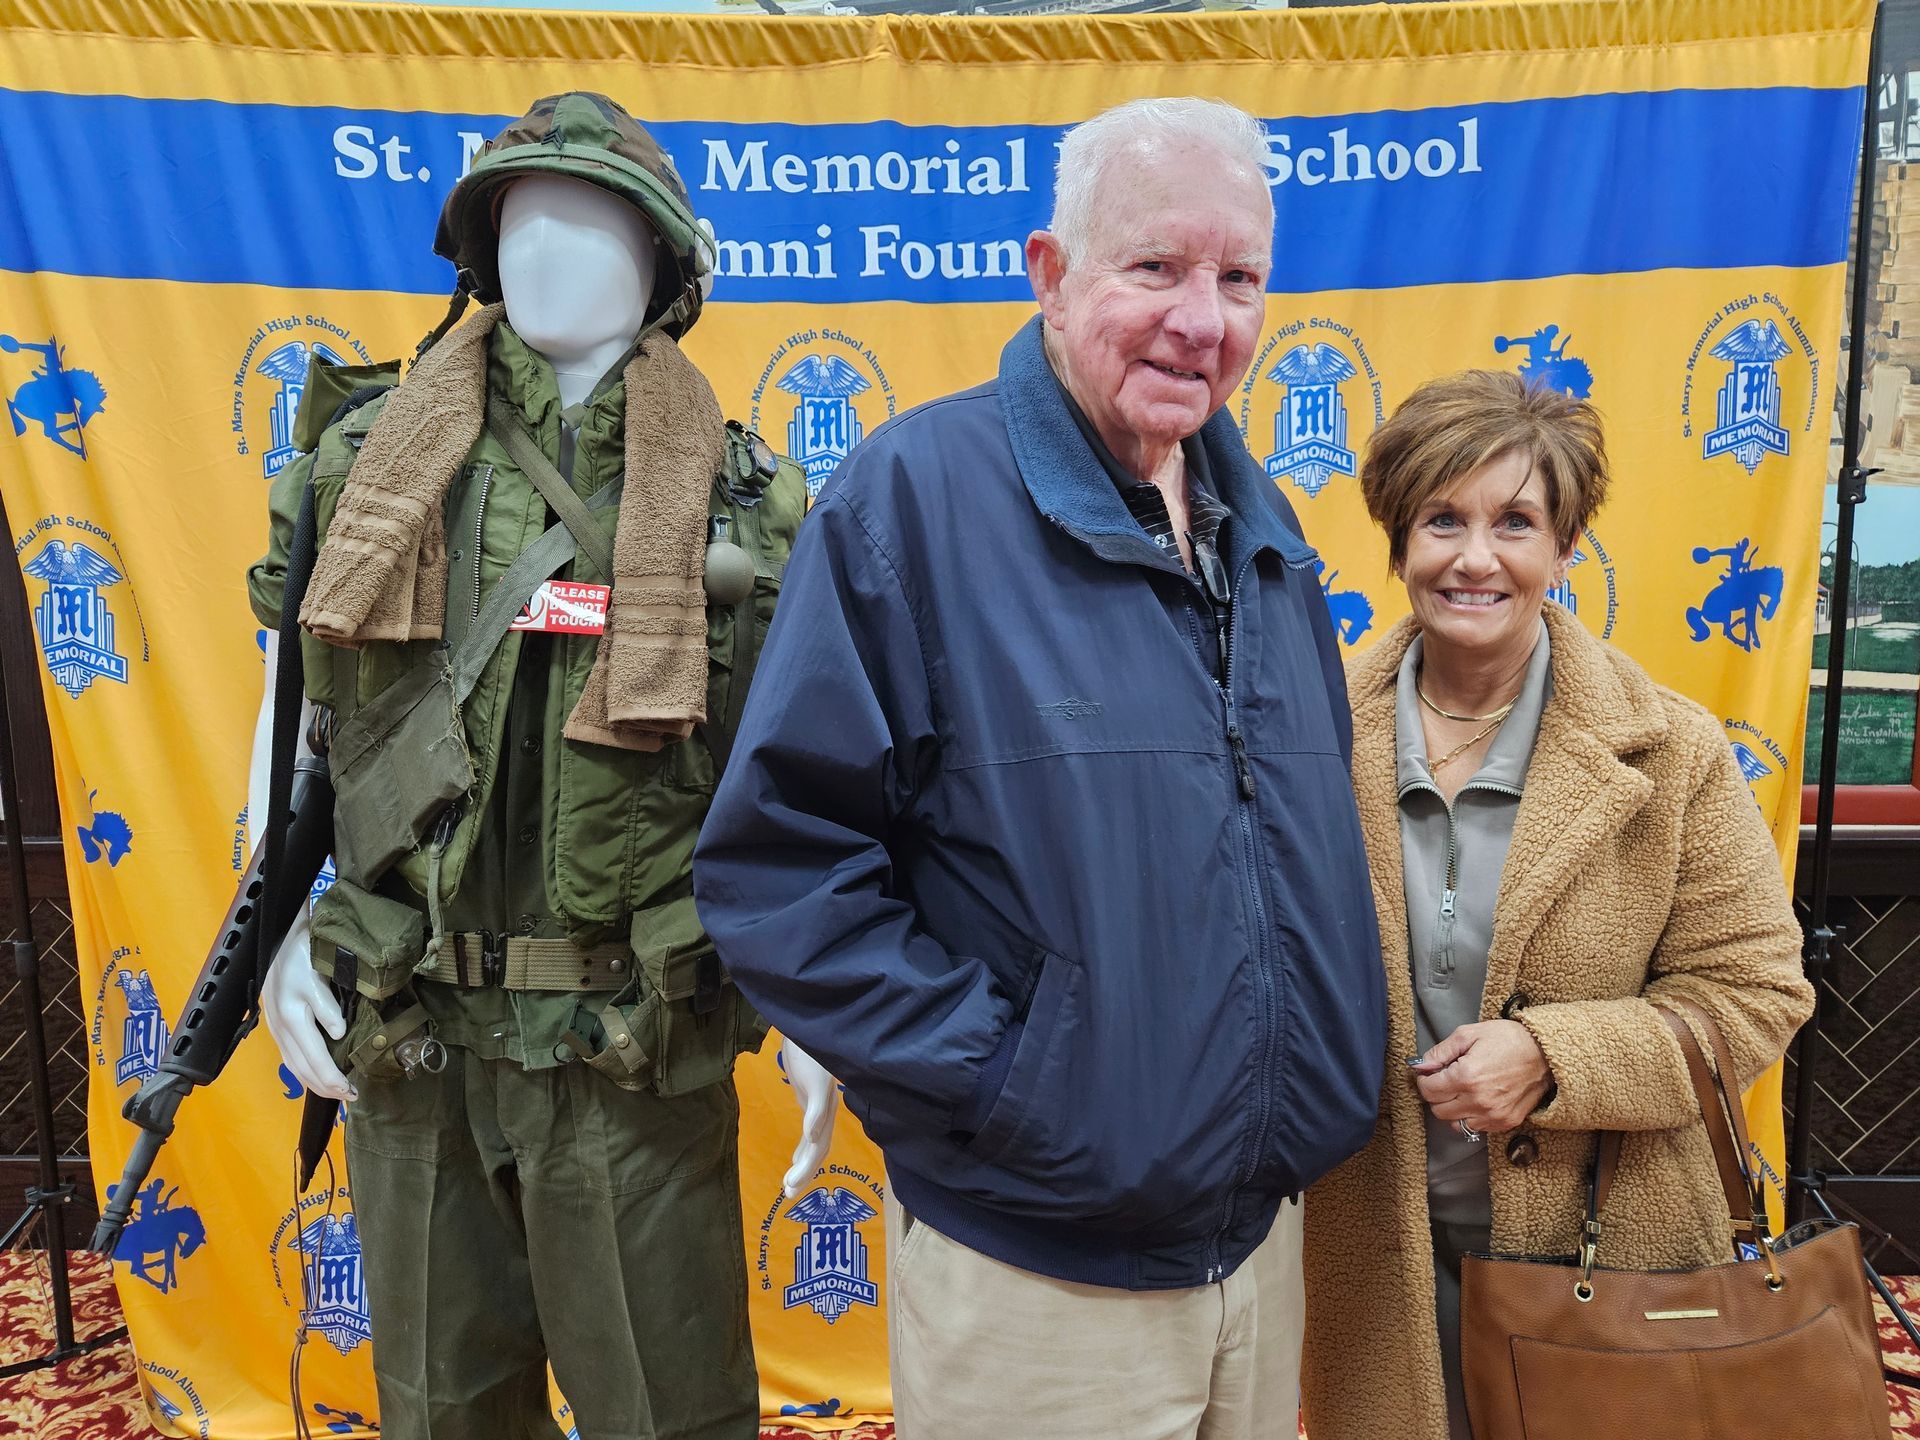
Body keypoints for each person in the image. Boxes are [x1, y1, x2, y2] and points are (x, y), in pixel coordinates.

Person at [693, 96, 1385, 1438]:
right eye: (1158, 268)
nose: (1206, 320)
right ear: (1051, 276)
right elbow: (780, 871)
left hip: (1258, 1243)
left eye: (1241, 279)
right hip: (1040, 1267)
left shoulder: (1262, 527)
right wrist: (1015, 1086)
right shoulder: (911, 504)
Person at [246, 93, 822, 1440]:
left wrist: (803, 1006)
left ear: (667, 263)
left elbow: (790, 781)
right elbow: (293, 724)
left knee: (666, 1409)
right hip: (414, 1027)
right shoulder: (362, 466)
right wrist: (271, 931)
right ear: (476, 251)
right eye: (521, 218)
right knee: (442, 1410)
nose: (551, 249)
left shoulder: (749, 502)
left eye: (598, 219)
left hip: (626, 1044)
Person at [1299, 370, 1815, 1440]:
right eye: (1443, 518)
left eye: (1516, 523)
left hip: (1613, 1256)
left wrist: (1555, 1059)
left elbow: (1757, 991)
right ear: (1398, 544)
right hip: (1368, 1254)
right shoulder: (1305, 739)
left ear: (1564, 550)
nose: (1475, 557)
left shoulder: (1668, 749)